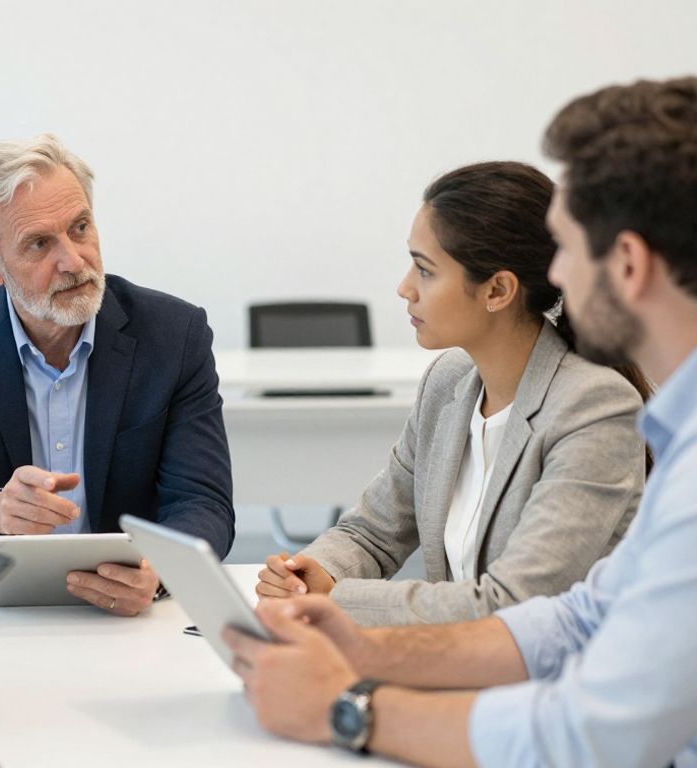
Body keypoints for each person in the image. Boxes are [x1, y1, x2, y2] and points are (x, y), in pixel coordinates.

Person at [226, 76, 697, 767]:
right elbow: (577, 619)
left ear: (631, 264)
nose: (557, 274)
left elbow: (592, 734)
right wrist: (360, 644)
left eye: (567, 247)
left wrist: (348, 707)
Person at [255, 161, 650, 626]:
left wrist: (334, 600)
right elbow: (374, 531)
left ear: (498, 289)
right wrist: (311, 573)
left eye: (425, 270)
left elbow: (513, 603)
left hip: (557, 682)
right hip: (462, 667)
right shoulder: (450, 383)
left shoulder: (595, 407)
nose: (405, 289)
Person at [0, 133, 234, 616]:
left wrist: (158, 572)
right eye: (38, 244)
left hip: (134, 621)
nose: (73, 261)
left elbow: (205, 505)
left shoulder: (173, 335)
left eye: (80, 228)